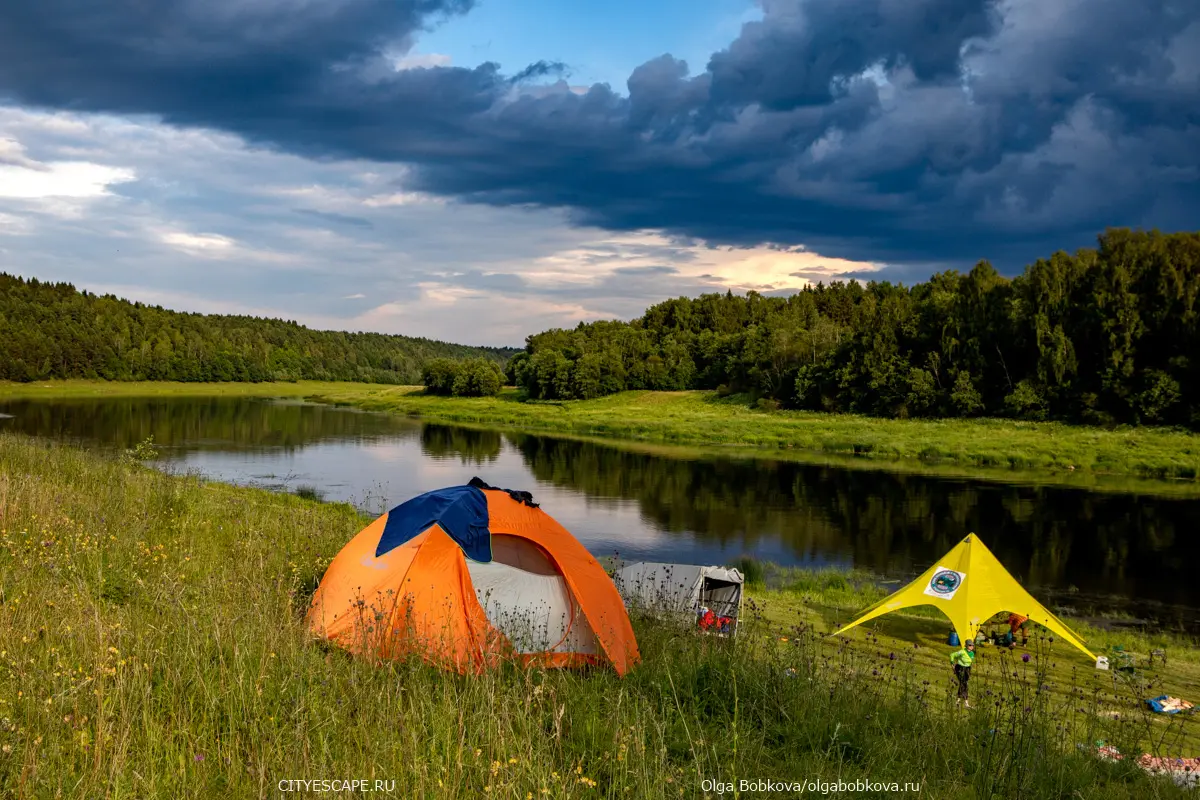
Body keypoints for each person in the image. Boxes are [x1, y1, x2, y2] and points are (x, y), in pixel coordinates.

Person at [950, 639, 976, 707]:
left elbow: (970, 662)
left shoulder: (972, 653)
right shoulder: (962, 651)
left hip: (967, 669)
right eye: (970, 645)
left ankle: (958, 701)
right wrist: (952, 664)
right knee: (964, 684)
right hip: (960, 668)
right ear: (966, 645)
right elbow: (952, 655)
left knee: (963, 684)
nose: (971, 646)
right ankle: (966, 702)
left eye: (972, 645)